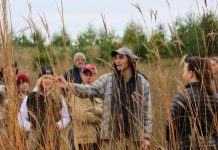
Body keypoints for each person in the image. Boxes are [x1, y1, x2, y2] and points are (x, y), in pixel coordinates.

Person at [57, 47, 152, 149]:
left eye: (121, 58)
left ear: (129, 59)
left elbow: (147, 111)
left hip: (136, 138)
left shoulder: (142, 82)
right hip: (113, 138)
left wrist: (146, 136)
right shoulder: (108, 79)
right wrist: (68, 85)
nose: (117, 61)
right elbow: (90, 89)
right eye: (116, 58)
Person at [166, 56, 218, 149]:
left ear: (191, 73)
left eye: (184, 71)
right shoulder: (215, 98)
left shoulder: (182, 96)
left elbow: (170, 127)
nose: (183, 75)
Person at [18, 66, 70, 149]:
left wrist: (58, 125)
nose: (48, 81)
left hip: (54, 137)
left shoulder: (58, 97)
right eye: (45, 78)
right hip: (35, 138)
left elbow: (66, 117)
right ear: (40, 80)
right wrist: (30, 127)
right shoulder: (31, 97)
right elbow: (21, 118)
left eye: (50, 78)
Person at [71, 64, 103, 150]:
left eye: (91, 74)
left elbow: (106, 112)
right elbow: (82, 115)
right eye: (86, 74)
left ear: (96, 76)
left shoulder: (100, 92)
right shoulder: (75, 92)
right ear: (82, 75)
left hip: (100, 139)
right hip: (84, 140)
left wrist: (92, 111)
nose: (88, 77)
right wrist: (99, 118)